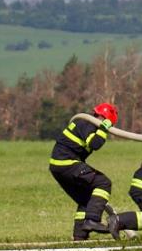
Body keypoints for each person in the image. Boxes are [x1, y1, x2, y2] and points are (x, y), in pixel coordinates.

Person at [48, 102, 118, 240]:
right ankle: (93, 220)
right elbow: (95, 144)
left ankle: (80, 236)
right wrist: (103, 128)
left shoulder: (83, 122)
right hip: (67, 163)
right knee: (103, 183)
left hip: (57, 166)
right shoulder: (88, 124)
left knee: (86, 198)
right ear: (104, 118)